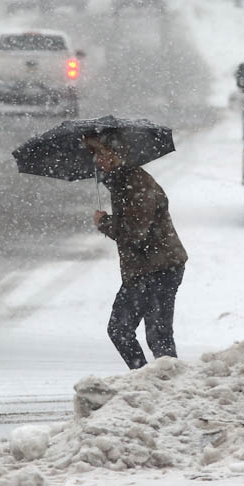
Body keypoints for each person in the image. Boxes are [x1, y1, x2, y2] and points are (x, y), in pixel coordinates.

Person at [84, 133, 188, 370]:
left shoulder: (137, 183)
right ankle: (149, 383)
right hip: (144, 268)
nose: (98, 160)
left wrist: (104, 223)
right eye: (95, 155)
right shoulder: (121, 183)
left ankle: (163, 387)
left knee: (155, 335)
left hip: (159, 267)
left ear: (117, 154)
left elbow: (135, 233)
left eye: (102, 153)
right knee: (125, 330)